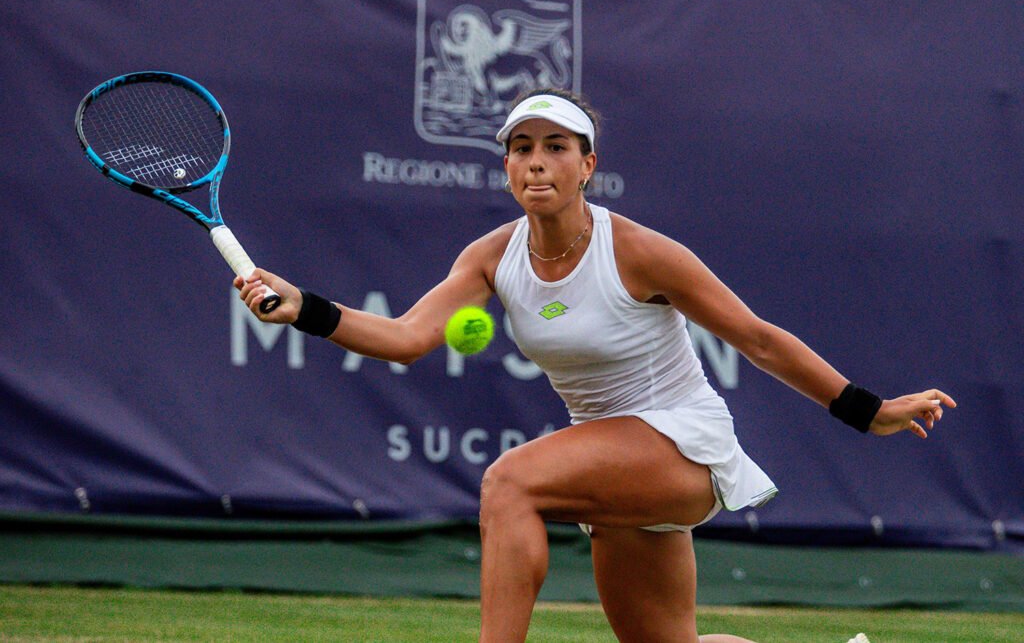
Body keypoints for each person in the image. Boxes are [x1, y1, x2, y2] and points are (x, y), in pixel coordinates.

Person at [236, 88, 955, 643]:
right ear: (508, 165)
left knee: (509, 480)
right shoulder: (490, 256)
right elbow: (403, 337)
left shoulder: (641, 250)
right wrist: (303, 306)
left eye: (555, 145)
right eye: (520, 147)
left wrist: (870, 409)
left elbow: (758, 339)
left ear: (588, 165)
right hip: (614, 461)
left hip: (680, 444)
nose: (536, 160)